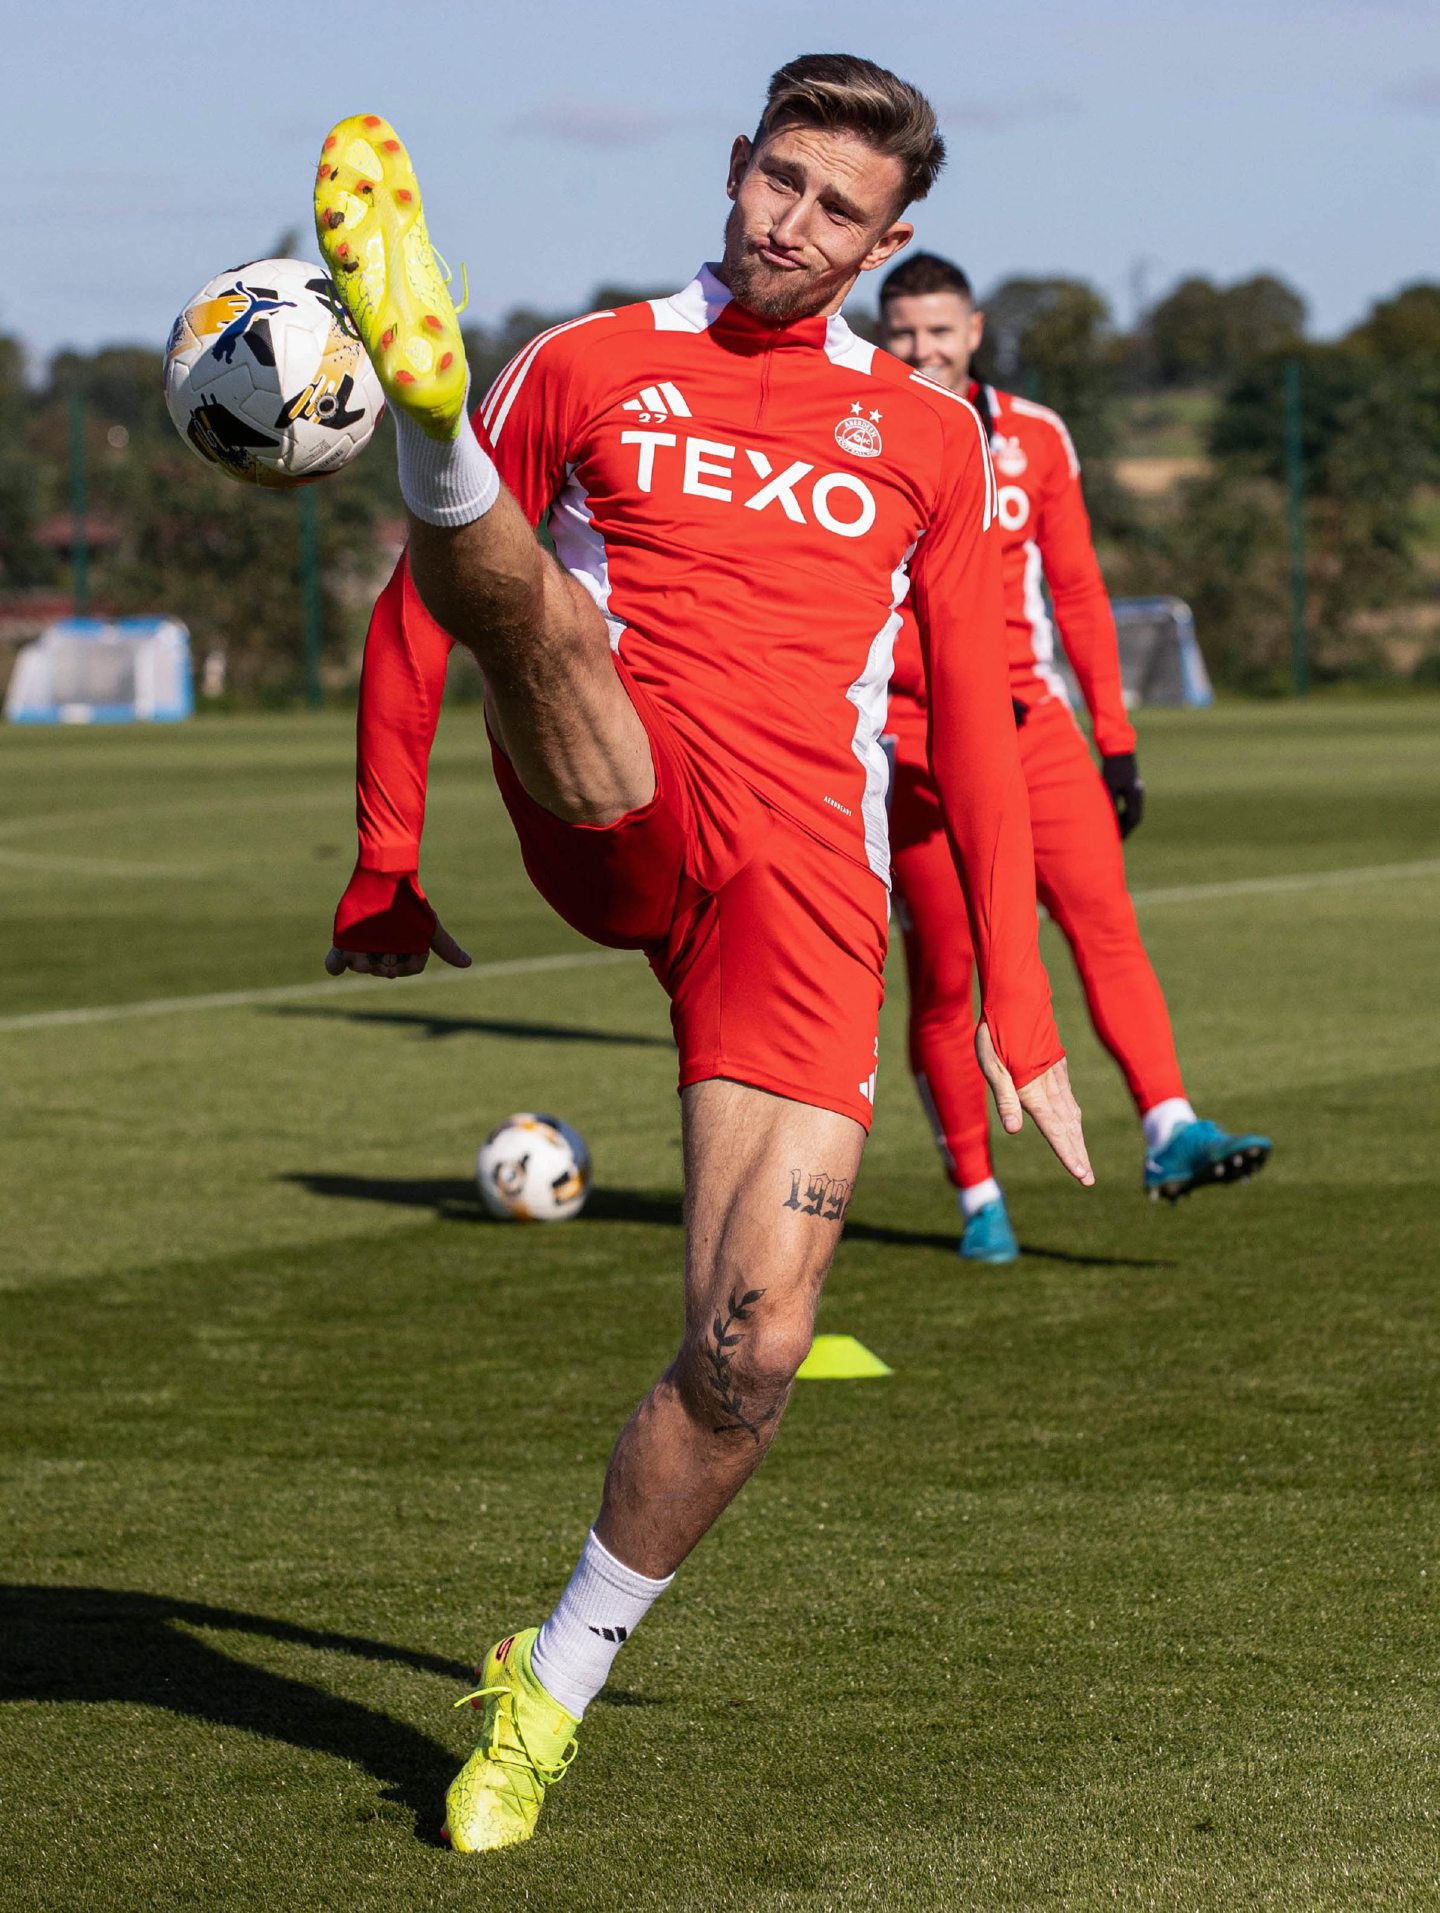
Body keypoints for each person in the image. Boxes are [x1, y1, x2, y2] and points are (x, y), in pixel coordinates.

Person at [312, 58, 1092, 1852]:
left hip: (802, 894)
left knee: (750, 1349)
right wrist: (383, 858)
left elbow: (971, 718)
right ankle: (419, 426)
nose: (792, 226)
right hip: (620, 799)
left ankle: (549, 1684)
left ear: (891, 244)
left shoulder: (929, 435)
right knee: (552, 629)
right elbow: (412, 614)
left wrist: (1017, 1012)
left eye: (841, 210)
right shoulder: (583, 364)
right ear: (736, 165)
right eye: (780, 181)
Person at [878, 252, 1270, 1263]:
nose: (921, 348)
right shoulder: (856, 428)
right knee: (951, 977)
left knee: (1106, 928)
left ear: (974, 332)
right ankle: (979, 1196)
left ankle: (1170, 1127)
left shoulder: (1037, 435)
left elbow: (1083, 594)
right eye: (903, 330)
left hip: (1034, 732)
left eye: (938, 329)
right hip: (915, 745)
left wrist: (1119, 739)